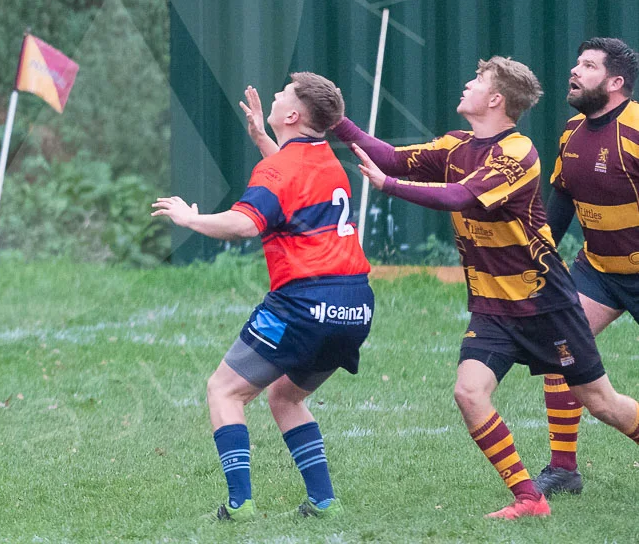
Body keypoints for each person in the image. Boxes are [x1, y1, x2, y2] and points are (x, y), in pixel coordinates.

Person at [344, 57, 639, 520]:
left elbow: (460, 196)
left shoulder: (517, 152)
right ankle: (530, 499)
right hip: (493, 306)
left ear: (496, 99)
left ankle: (560, 472)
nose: (466, 84)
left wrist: (389, 186)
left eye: (477, 80)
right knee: (469, 392)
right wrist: (337, 120)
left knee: (603, 403)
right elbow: (390, 156)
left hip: (545, 304)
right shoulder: (456, 145)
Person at [152, 74, 372, 522]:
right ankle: (324, 502)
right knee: (285, 398)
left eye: (281, 96)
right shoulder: (326, 161)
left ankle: (240, 505)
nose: (273, 97)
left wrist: (189, 219)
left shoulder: (276, 170)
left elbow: (245, 224)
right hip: (356, 305)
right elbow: (291, 178)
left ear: (292, 115)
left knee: (224, 390)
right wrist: (260, 138)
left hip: (303, 304)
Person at [534, 37, 639, 495]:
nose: (575, 71)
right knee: (559, 348)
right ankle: (563, 469)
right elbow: (560, 204)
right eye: (577, 63)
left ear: (616, 83)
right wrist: (536, 259)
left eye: (589, 66)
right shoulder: (571, 131)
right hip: (599, 270)